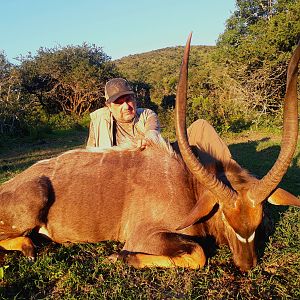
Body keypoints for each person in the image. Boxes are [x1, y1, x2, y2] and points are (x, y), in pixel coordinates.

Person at [86, 78, 231, 165]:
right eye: (119, 102)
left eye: (129, 99)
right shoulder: (98, 123)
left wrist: (150, 138)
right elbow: (89, 157)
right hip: (124, 171)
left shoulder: (147, 113)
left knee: (200, 127)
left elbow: (152, 131)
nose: (126, 106)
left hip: (158, 160)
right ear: (109, 106)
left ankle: (234, 178)